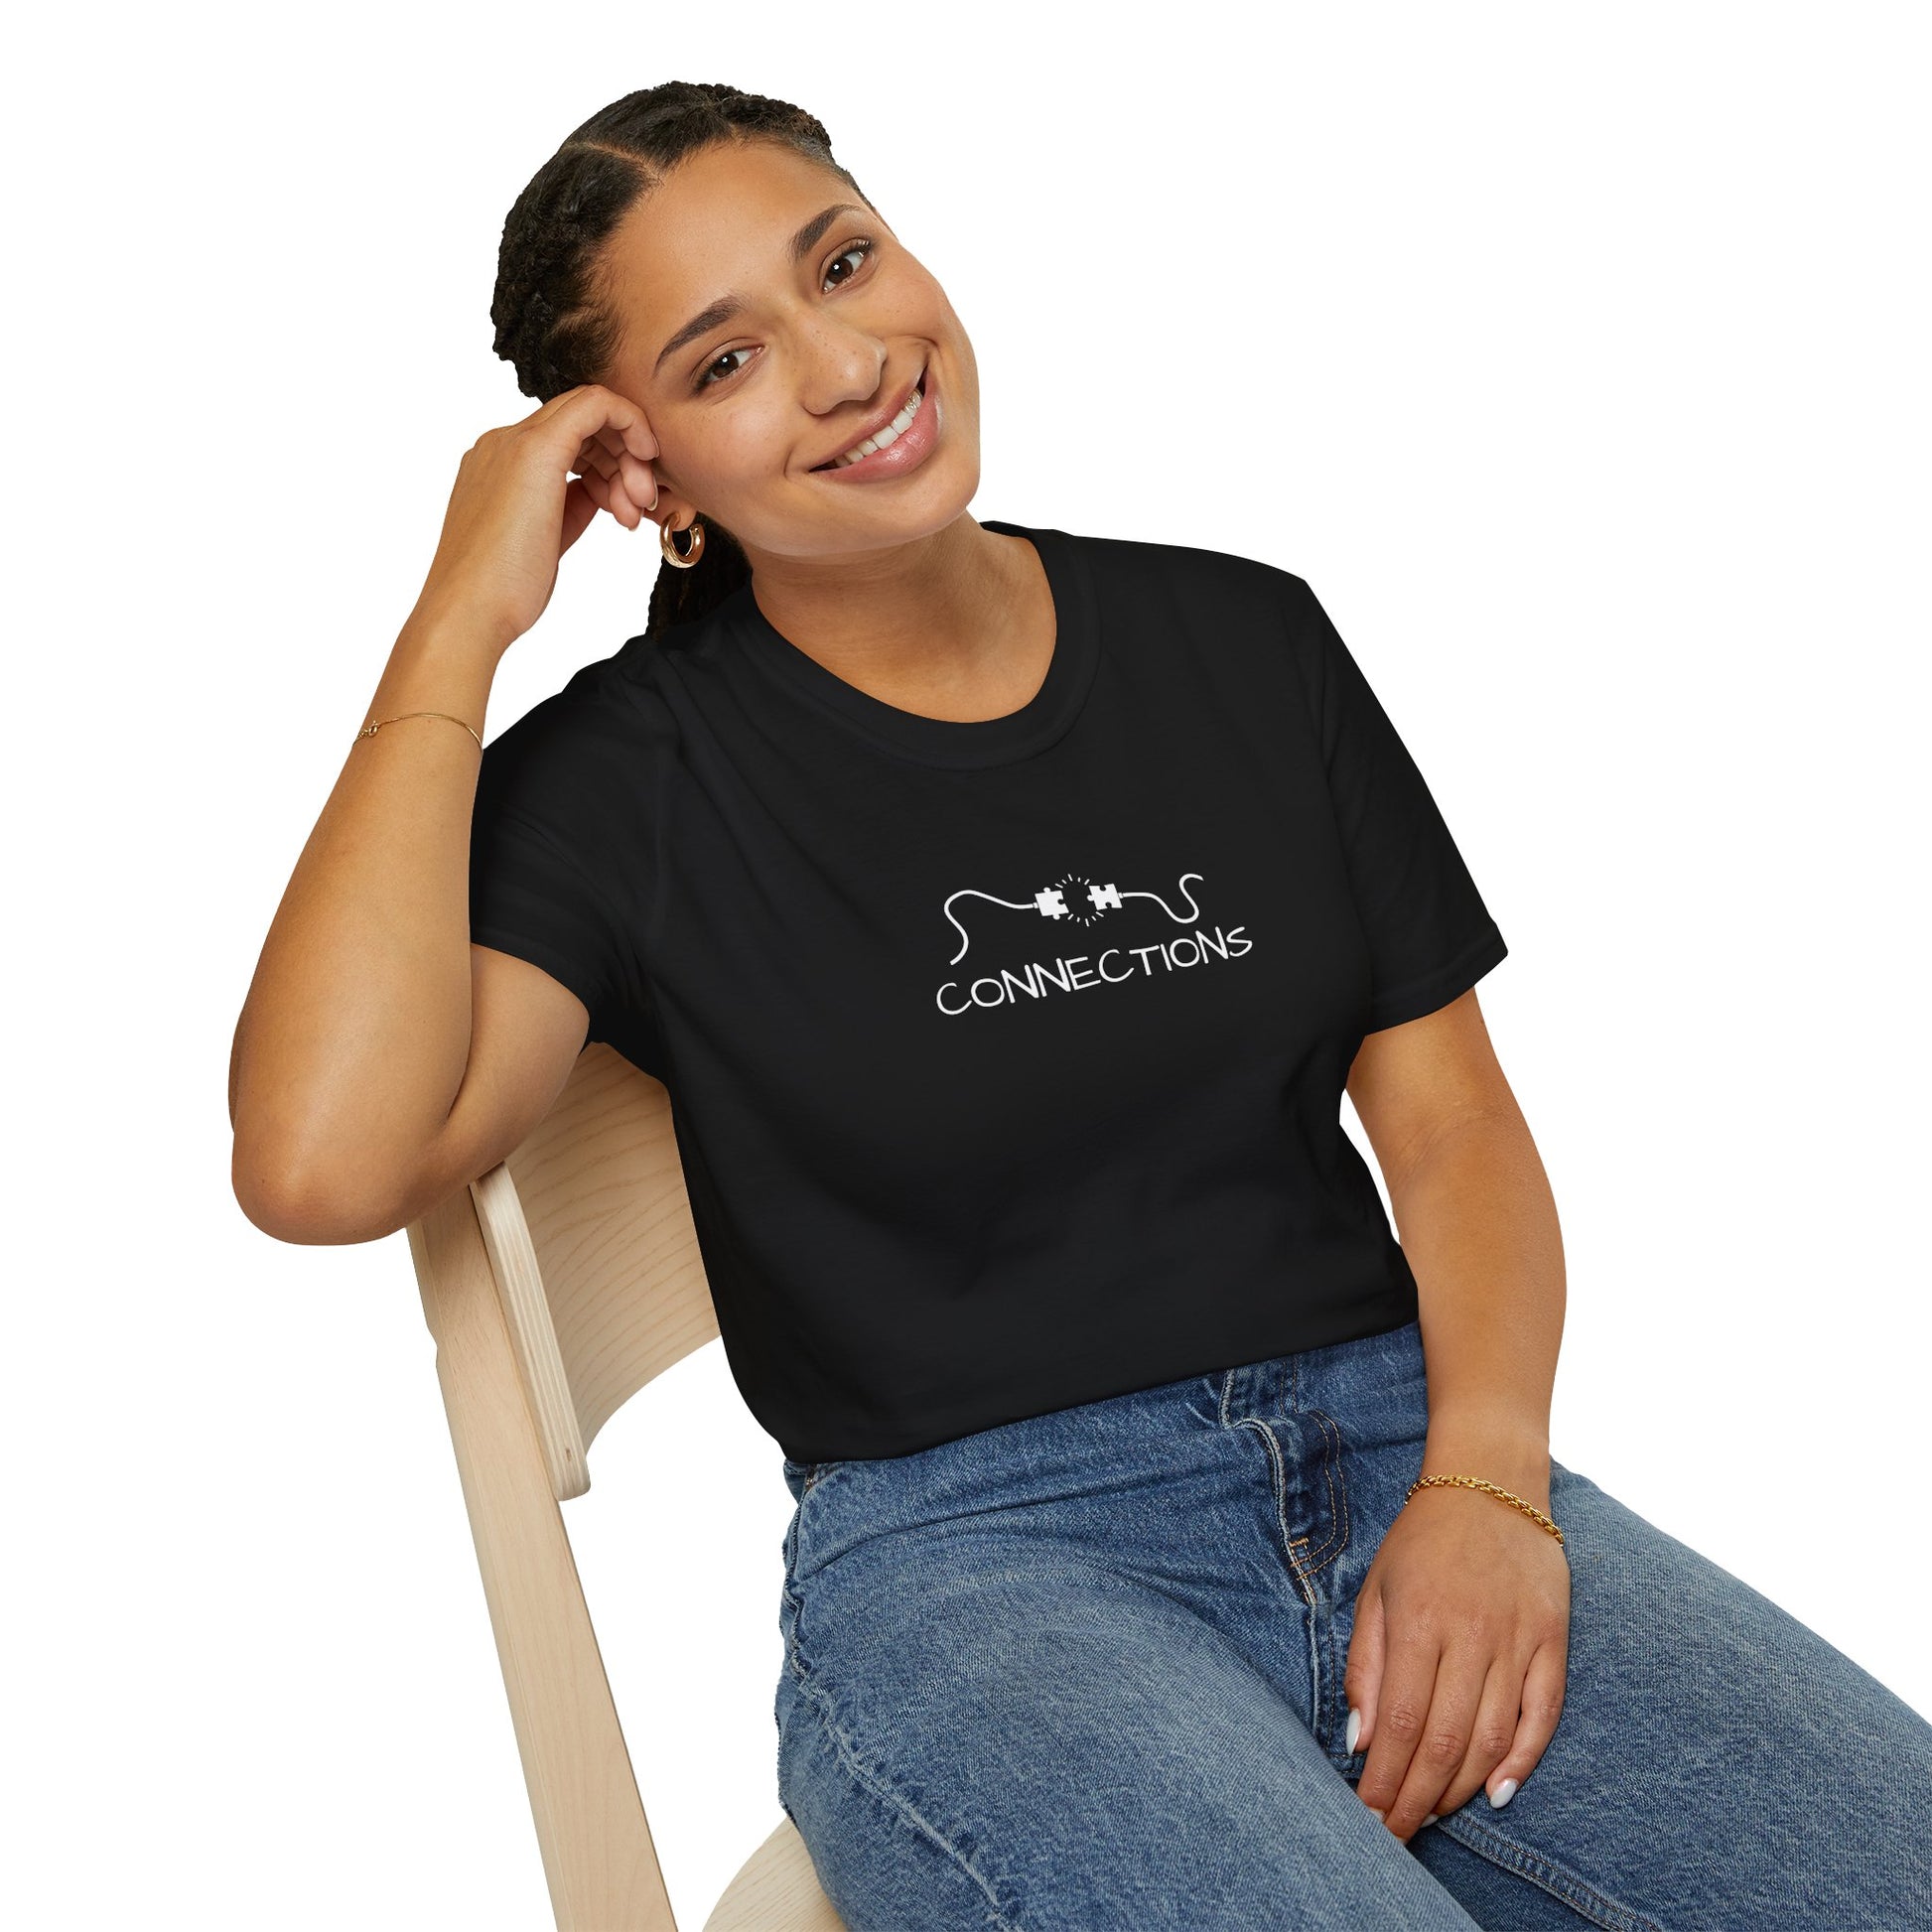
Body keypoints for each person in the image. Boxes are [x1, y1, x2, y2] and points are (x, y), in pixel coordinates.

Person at [228, 80, 1932, 1931]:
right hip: (983, 1568)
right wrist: (458, 618)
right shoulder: (628, 782)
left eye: (843, 264)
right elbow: (320, 1161)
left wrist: (1488, 1483)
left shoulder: (1244, 640)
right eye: (725, 361)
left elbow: (1452, 1129)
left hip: (1407, 1449)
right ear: (650, 480)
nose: (847, 365)